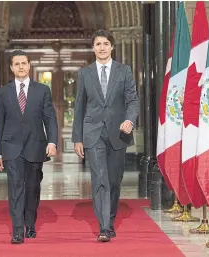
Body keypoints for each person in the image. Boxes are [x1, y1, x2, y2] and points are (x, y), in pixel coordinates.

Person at [72, 29, 140, 242]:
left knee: (113, 180)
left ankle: (109, 219)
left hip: (118, 133)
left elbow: (132, 100)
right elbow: (79, 106)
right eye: (98, 44)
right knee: (99, 178)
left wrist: (129, 120)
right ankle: (104, 227)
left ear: (112, 47)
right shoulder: (85, 73)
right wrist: (77, 138)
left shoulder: (124, 71)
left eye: (105, 44)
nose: (102, 47)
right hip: (93, 134)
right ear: (93, 48)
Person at [0, 50, 58, 244]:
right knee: (15, 188)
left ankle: (30, 223)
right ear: (11, 68)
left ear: (29, 66)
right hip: (11, 147)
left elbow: (50, 119)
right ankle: (17, 230)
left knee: (32, 188)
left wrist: (52, 142)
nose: (21, 67)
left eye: (24, 63)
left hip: (35, 146)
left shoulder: (42, 90)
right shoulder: (3, 92)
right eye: (17, 64)